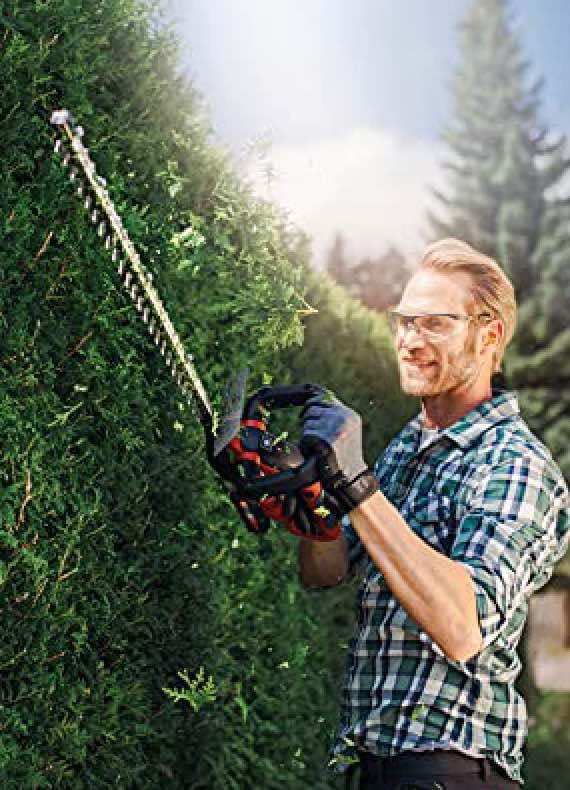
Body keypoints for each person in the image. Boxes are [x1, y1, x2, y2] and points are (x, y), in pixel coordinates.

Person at [298, 238, 569, 790]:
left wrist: (356, 484)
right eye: (404, 323)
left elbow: (463, 626)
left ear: (489, 335)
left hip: (453, 771)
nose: (409, 341)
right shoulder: (407, 449)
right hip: (373, 769)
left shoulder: (516, 466)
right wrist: (310, 500)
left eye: (433, 325)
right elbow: (325, 570)